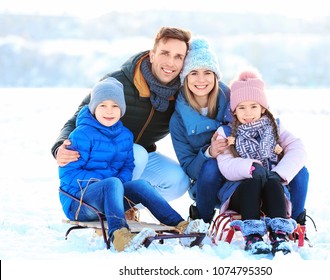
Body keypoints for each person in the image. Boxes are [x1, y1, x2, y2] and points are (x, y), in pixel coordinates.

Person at [59, 77, 208, 252]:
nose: (109, 111)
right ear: (94, 108)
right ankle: (120, 236)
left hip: (109, 197)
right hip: (79, 202)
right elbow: (69, 174)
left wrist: (117, 186)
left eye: (115, 106)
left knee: (140, 185)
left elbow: (128, 166)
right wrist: (105, 183)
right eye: (103, 105)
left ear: (121, 109)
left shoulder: (125, 135)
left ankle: (180, 225)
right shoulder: (81, 135)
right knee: (112, 182)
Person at [52, 27, 192, 202]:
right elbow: (78, 117)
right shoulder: (117, 83)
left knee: (178, 180)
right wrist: (60, 146)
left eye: (178, 56)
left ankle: (126, 206)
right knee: (137, 153)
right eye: (165, 53)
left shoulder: (181, 94)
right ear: (152, 55)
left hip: (138, 159)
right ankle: (105, 202)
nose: (171, 62)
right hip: (101, 159)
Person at [215, 69, 307, 255]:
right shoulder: (226, 133)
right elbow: (225, 164)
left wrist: (280, 173)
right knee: (253, 182)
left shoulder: (275, 129)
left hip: (271, 193)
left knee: (273, 182)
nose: (247, 113)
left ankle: (279, 234)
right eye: (241, 107)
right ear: (234, 110)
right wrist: (250, 167)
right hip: (241, 193)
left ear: (263, 108)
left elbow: (298, 149)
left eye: (253, 106)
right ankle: (253, 237)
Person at [169, 38, 231, 223]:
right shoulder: (178, 120)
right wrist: (209, 152)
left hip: (239, 171)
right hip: (206, 183)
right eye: (194, 73)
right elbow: (189, 167)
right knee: (211, 166)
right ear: (185, 78)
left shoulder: (232, 101)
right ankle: (202, 220)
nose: (201, 80)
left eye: (207, 72)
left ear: (215, 76)